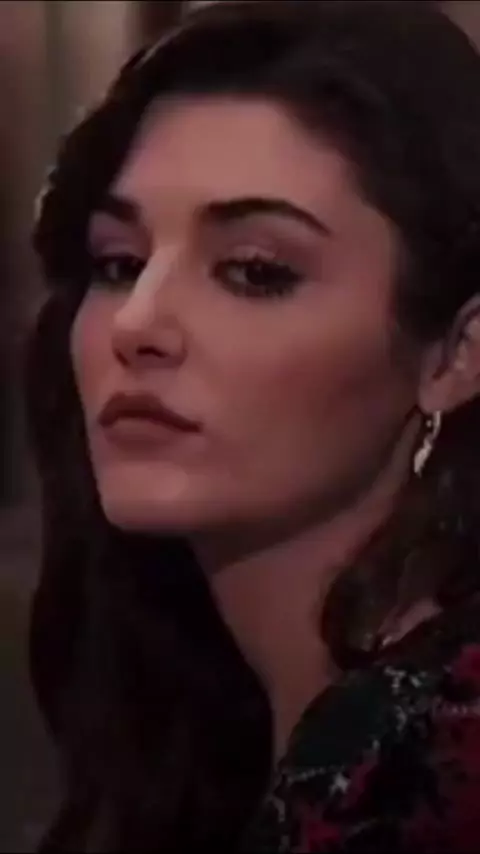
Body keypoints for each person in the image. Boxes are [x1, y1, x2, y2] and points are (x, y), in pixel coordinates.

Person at [28, 1, 480, 851]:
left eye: (254, 272)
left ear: (456, 355)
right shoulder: (204, 722)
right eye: (119, 264)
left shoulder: (428, 767)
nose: (137, 323)